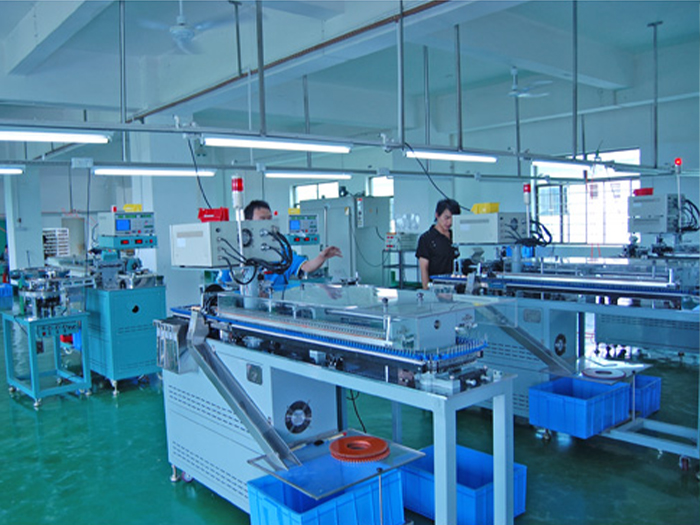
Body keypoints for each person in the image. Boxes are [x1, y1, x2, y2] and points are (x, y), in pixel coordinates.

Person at [242, 200, 342, 289]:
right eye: (262, 219)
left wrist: (322, 257)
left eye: (270, 219)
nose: (267, 223)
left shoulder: (281, 251)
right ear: (248, 223)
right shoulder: (240, 254)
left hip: (278, 301)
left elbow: (306, 267)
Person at [415, 198, 461, 290]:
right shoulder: (426, 238)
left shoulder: (454, 236)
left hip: (453, 286)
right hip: (436, 287)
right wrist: (426, 290)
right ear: (437, 215)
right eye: (447, 218)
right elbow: (424, 268)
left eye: (453, 218)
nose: (450, 222)